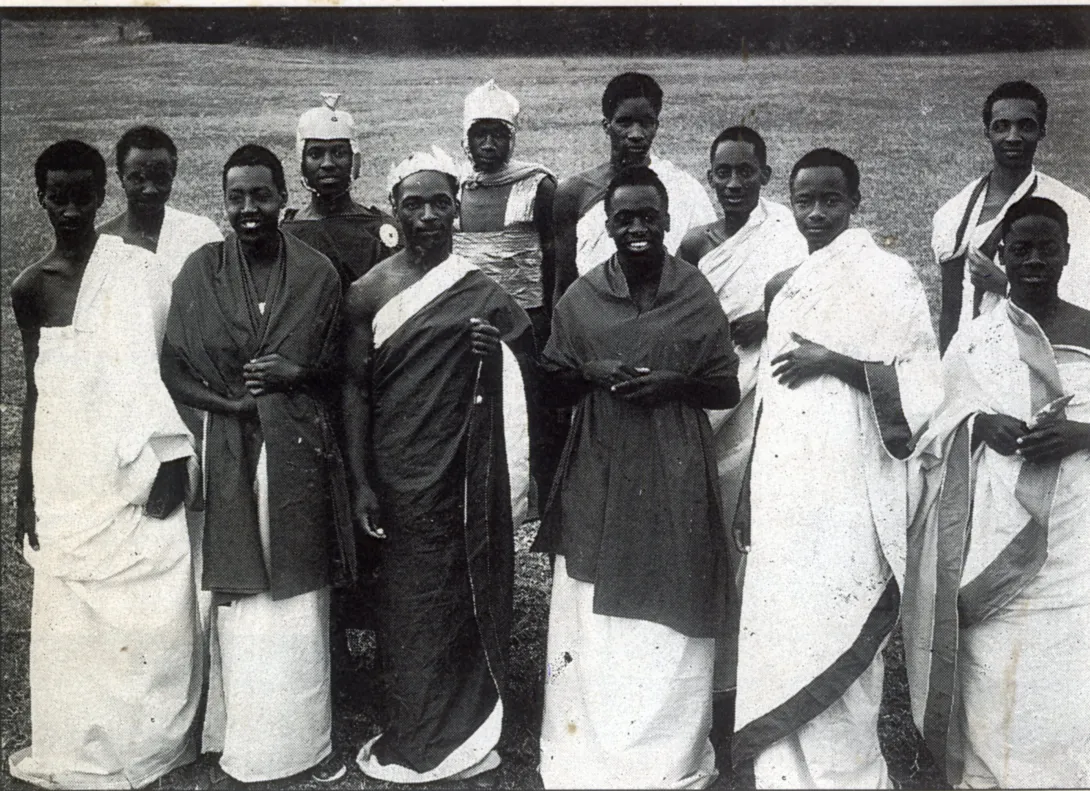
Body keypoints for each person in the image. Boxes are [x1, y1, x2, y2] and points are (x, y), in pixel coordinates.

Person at [732, 149, 941, 788]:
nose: (817, 213)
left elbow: (923, 384)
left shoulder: (889, 275)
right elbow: (765, 396)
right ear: (789, 203)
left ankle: (848, 775)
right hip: (785, 486)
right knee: (784, 628)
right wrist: (748, 491)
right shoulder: (787, 284)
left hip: (853, 489)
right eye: (804, 201)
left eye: (830, 200)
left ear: (854, 202)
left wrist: (836, 361)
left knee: (841, 623)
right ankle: (782, 773)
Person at [534, 166, 740, 789]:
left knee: (671, 594)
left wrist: (674, 383)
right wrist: (593, 371)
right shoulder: (582, 299)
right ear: (607, 225)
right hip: (602, 462)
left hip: (674, 466)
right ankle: (595, 755)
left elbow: (725, 384)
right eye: (624, 218)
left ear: (667, 221)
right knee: (596, 609)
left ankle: (664, 756)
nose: (637, 228)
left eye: (648, 216)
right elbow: (552, 384)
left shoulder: (694, 291)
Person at [9, 140, 200, 789]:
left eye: (81, 194)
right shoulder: (29, 287)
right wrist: (24, 493)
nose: (68, 207)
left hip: (132, 458)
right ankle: (77, 733)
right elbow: (38, 389)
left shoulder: (136, 270)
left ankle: (144, 739)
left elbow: (163, 369)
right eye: (56, 194)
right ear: (39, 196)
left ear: (102, 195)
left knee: (147, 602)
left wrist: (171, 458)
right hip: (66, 466)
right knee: (71, 609)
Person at [160, 144, 353, 784]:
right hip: (227, 450)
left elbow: (343, 368)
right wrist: (232, 404)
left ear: (282, 198)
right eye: (236, 197)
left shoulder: (318, 273)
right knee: (240, 599)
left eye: (261, 195)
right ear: (225, 202)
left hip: (297, 450)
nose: (249, 209)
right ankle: (235, 734)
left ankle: (298, 741)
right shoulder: (200, 271)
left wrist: (296, 375)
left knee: (295, 598)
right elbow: (177, 366)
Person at [343, 146, 533, 784]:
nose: (427, 215)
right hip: (398, 470)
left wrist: (494, 350)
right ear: (394, 211)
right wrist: (363, 481)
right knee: (408, 601)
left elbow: (526, 366)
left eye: (439, 203)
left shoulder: (479, 290)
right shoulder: (368, 291)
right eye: (413, 204)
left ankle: (469, 724)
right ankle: (416, 724)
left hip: (464, 470)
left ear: (457, 209)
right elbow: (354, 389)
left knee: (463, 586)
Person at [904, 197, 1090, 788]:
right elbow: (936, 423)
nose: (1034, 259)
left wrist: (1082, 433)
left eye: (1047, 248)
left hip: (1076, 534)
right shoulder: (975, 339)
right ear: (1001, 256)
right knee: (991, 658)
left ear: (1067, 252)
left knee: (1065, 667)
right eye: (1021, 249)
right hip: (993, 528)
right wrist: (978, 425)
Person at [677, 126, 807, 758]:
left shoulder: (787, 235)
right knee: (705, 540)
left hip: (766, 402)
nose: (732, 184)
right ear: (709, 177)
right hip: (712, 397)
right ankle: (703, 692)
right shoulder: (695, 242)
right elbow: (681, 316)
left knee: (750, 545)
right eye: (721, 172)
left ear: (765, 173)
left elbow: (811, 298)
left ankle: (747, 693)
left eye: (745, 172)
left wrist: (771, 315)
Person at [453, 78, 565, 503]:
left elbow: (554, 253)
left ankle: (537, 491)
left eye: (498, 134)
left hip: (526, 316)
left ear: (513, 138)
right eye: (479, 134)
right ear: (465, 138)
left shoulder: (535, 186)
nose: (488, 144)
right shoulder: (454, 185)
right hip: (469, 319)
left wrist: (551, 317)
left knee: (529, 402)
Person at [933, 80, 1090, 352]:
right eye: (1001, 126)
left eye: (1026, 126)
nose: (1013, 137)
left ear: (1042, 131)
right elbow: (950, 310)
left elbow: (1080, 303)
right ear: (987, 132)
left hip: (1039, 352)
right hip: (969, 353)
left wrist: (1003, 284)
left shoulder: (1073, 207)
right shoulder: (954, 212)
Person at [552, 72, 715, 302]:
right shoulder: (574, 192)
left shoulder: (685, 189)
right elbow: (564, 284)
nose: (636, 134)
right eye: (625, 122)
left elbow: (704, 271)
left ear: (657, 126)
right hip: (594, 320)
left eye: (646, 123)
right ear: (606, 126)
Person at [98, 124, 223, 337]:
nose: (150, 189)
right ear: (121, 178)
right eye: (138, 178)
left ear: (173, 175)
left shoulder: (201, 233)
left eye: (161, 178)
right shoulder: (101, 242)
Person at [281, 92, 402, 291]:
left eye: (339, 153)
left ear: (354, 160)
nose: (327, 163)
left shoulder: (380, 232)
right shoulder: (287, 235)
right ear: (302, 162)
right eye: (315, 154)